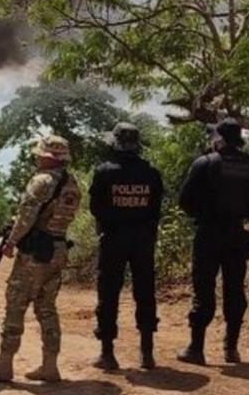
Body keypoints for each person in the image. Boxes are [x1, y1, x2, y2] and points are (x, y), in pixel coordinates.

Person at [0, 135, 81, 383]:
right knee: (47, 309)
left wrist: (11, 242)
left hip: (35, 252)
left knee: (16, 304)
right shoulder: (73, 183)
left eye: (40, 154)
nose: (37, 157)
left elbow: (26, 217)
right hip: (58, 248)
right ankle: (50, 366)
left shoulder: (42, 181)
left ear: (49, 157)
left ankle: (4, 363)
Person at [177, 117, 249, 365]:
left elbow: (184, 201)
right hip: (237, 235)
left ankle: (196, 349)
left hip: (208, 234)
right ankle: (231, 349)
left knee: (203, 290)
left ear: (220, 138)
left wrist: (204, 214)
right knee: (235, 290)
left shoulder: (204, 163)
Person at [89, 122, 164, 370]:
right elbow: (156, 210)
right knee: (145, 292)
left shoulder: (104, 172)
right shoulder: (152, 173)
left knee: (108, 294)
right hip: (143, 241)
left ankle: (107, 354)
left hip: (113, 240)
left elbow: (95, 208)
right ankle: (147, 353)